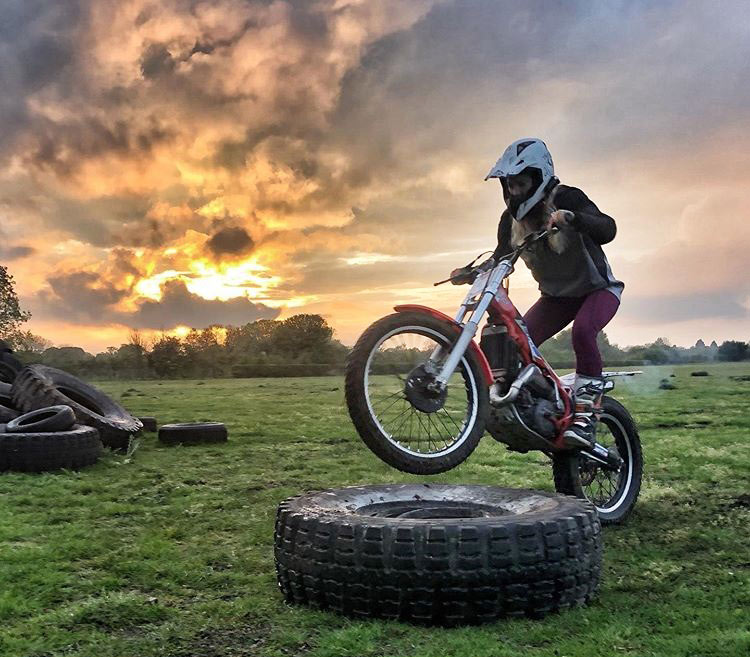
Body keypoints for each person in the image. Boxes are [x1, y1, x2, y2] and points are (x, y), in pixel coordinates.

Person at [454, 137, 623, 448]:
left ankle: (586, 415)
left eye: (521, 182)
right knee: (516, 342)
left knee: (584, 332)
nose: (514, 190)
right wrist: (474, 272)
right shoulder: (510, 221)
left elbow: (608, 228)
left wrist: (575, 219)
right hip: (555, 299)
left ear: (538, 175)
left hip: (597, 291)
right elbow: (502, 256)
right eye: (509, 184)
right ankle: (533, 411)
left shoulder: (567, 198)